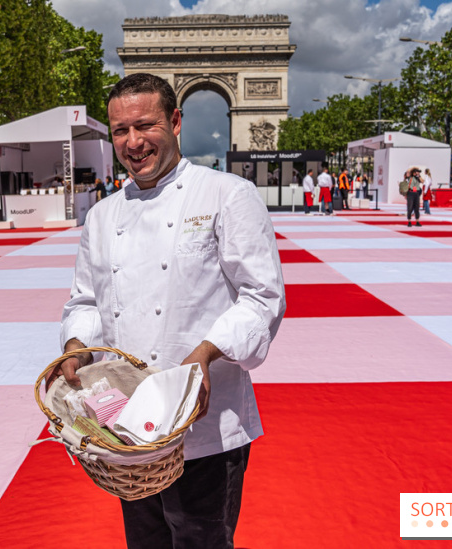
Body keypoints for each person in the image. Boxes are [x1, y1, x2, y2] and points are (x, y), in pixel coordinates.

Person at [51, 73, 285, 549]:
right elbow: (87, 301)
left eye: (146, 125)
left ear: (176, 121)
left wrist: (204, 354)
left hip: (206, 424)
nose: (133, 142)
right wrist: (76, 348)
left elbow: (262, 297)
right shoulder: (101, 216)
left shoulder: (228, 195)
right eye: (120, 130)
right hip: (129, 432)